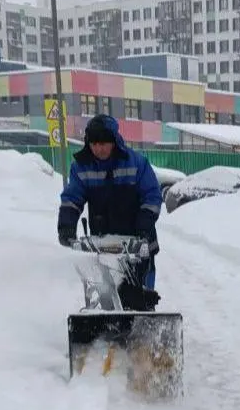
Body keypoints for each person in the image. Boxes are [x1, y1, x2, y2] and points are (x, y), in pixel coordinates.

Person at [57, 113, 163, 311]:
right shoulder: (81, 167)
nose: (99, 149)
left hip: (138, 237)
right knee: (107, 291)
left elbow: (152, 196)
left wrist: (144, 224)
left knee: (139, 291)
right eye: (94, 144)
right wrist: (66, 226)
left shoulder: (136, 163)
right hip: (103, 239)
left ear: (114, 141)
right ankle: (109, 331)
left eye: (104, 143)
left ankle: (143, 326)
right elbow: (72, 198)